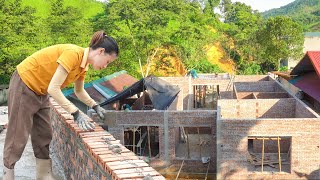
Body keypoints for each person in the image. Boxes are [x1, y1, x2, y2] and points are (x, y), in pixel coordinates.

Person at [2, 30, 119, 179]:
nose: (105, 66)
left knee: (43, 134)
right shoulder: (73, 54)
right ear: (101, 51)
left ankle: (44, 175)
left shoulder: (83, 66)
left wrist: (95, 106)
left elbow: (79, 91)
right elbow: (54, 88)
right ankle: (8, 174)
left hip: (41, 91)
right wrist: (75, 113)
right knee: (18, 134)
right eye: (107, 61)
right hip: (25, 83)